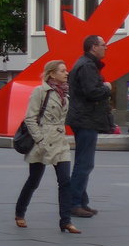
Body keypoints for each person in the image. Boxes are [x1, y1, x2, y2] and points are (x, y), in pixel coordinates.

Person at [15, 60, 78, 233]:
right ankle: (20, 212)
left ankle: (66, 220)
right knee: (34, 180)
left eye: (66, 70)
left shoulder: (65, 93)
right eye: (63, 71)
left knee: (65, 181)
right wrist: (40, 140)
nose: (67, 73)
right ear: (52, 74)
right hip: (41, 141)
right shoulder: (40, 91)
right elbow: (30, 118)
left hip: (60, 141)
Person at [66, 35, 113, 219]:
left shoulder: (85, 64)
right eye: (103, 45)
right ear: (94, 47)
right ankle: (74, 203)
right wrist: (107, 88)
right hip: (85, 119)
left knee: (83, 162)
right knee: (84, 163)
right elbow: (92, 92)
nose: (106, 48)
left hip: (84, 118)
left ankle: (81, 202)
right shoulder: (87, 66)